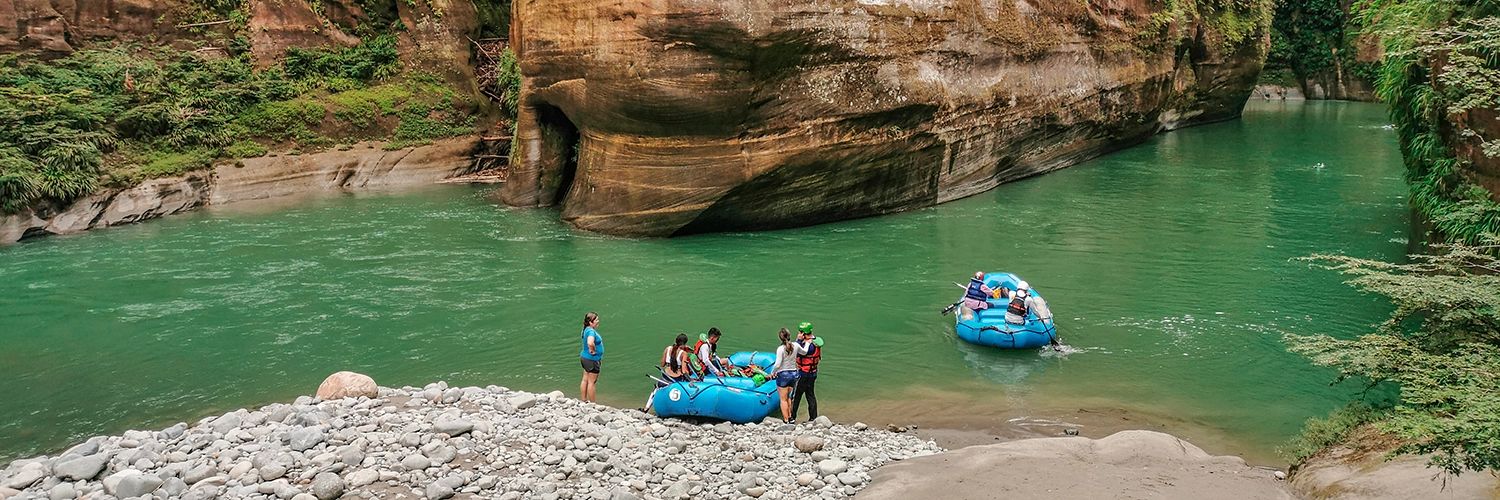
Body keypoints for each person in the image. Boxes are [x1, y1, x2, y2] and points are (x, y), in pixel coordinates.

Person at [643, 334, 692, 412]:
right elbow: (684, 371)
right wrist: (691, 380)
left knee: (655, 389)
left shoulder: (668, 349)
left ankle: (646, 408)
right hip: (676, 380)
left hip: (665, 378)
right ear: (683, 344)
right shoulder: (683, 354)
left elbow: (662, 364)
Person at [772, 328, 807, 423]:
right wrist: (807, 343)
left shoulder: (780, 349)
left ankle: (786, 420)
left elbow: (778, 364)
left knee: (783, 399)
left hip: (783, 374)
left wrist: (772, 373)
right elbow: (804, 352)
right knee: (788, 397)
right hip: (794, 374)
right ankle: (791, 417)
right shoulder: (795, 345)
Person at [791, 322, 823, 421]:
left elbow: (797, 352)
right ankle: (813, 418)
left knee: (796, 396)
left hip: (803, 374)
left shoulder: (807, 345)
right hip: (813, 373)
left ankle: (792, 417)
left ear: (802, 333)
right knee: (810, 395)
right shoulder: (815, 342)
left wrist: (799, 340)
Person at [579, 312, 603, 403]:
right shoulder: (591, 332)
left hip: (585, 358)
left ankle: (584, 400)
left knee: (585, 379)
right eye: (596, 320)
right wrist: (592, 350)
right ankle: (593, 404)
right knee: (591, 382)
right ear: (590, 322)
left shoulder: (585, 330)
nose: (598, 321)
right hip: (592, 360)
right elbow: (590, 342)